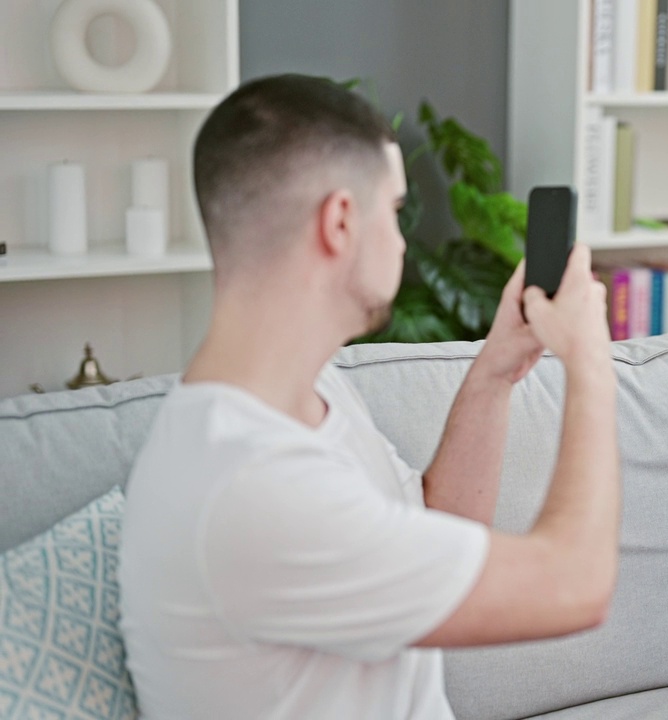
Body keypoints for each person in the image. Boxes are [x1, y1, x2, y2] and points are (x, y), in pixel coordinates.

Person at [118, 74, 619, 719]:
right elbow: (575, 586)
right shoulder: (253, 486)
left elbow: (435, 526)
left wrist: (496, 367)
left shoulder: (306, 391)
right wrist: (591, 362)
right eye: (395, 210)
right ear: (341, 221)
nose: (405, 240)